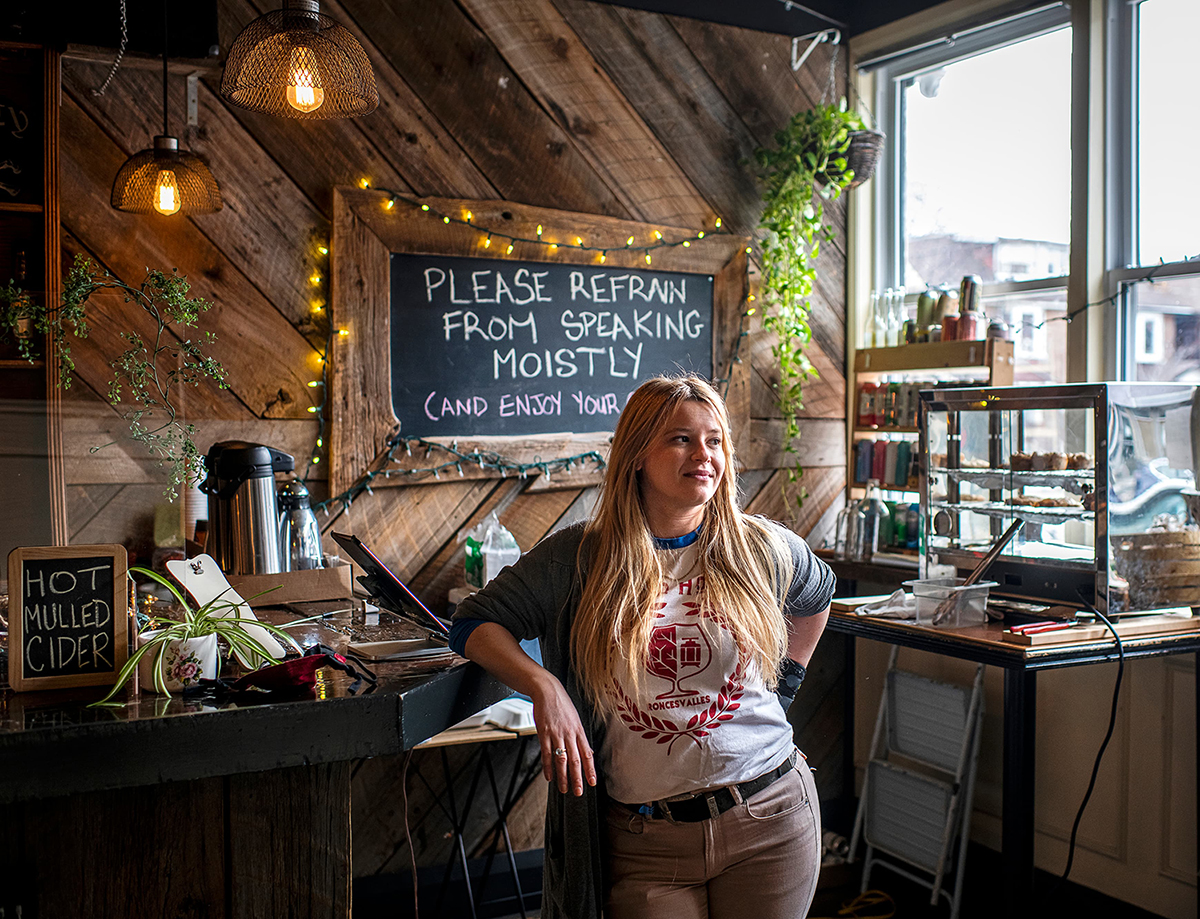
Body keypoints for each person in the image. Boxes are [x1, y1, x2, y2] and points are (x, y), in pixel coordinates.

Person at [450, 374, 835, 919]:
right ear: (636, 454)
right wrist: (545, 686)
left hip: (770, 819)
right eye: (680, 438)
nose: (703, 454)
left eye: (714, 440)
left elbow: (818, 595)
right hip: (645, 839)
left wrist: (786, 684)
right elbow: (474, 623)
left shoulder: (760, 547)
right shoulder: (580, 558)